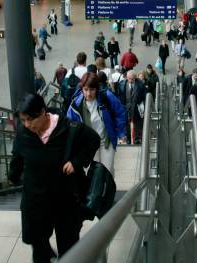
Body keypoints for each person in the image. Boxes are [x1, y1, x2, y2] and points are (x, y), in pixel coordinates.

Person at [9, 93, 100, 262]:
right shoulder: (23, 132)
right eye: (23, 120)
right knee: (38, 244)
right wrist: (14, 176)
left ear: (43, 112)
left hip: (65, 200)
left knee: (69, 247)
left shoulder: (69, 128)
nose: (27, 125)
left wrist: (77, 162)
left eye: (30, 119)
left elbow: (93, 140)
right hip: (35, 201)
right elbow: (17, 156)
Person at [66, 73, 127, 174]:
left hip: (106, 141)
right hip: (88, 144)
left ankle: (108, 186)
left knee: (107, 170)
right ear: (81, 89)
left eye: (92, 89)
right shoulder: (76, 104)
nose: (89, 93)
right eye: (85, 90)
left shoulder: (106, 97)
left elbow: (120, 112)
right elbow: (69, 124)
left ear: (97, 89)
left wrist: (121, 132)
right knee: (92, 172)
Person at [116, 70, 146, 144]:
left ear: (135, 77)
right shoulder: (122, 84)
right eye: (129, 78)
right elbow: (120, 97)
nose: (130, 80)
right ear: (126, 78)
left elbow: (144, 96)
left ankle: (136, 138)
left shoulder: (140, 85)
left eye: (132, 78)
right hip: (126, 109)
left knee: (137, 124)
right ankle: (129, 138)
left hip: (136, 109)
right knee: (127, 124)